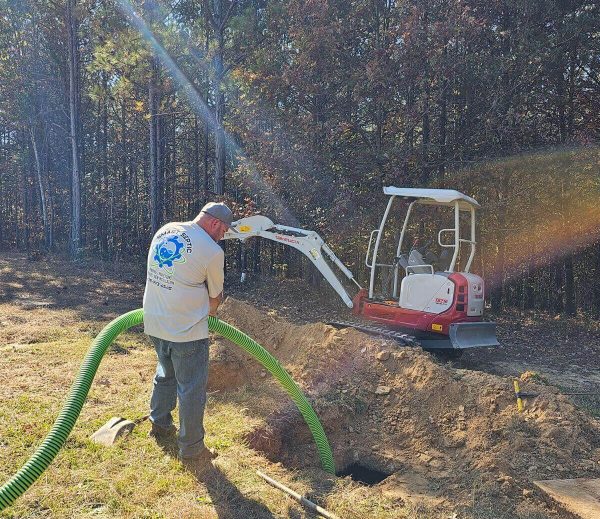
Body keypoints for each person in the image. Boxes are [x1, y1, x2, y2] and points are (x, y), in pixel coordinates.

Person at [142, 201, 237, 477]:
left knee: (165, 373)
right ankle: (192, 447)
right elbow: (215, 297)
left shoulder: (167, 229)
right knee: (191, 389)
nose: (223, 237)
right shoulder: (211, 251)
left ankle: (159, 423)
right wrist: (212, 314)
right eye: (224, 231)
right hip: (186, 332)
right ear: (215, 224)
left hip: (154, 321)